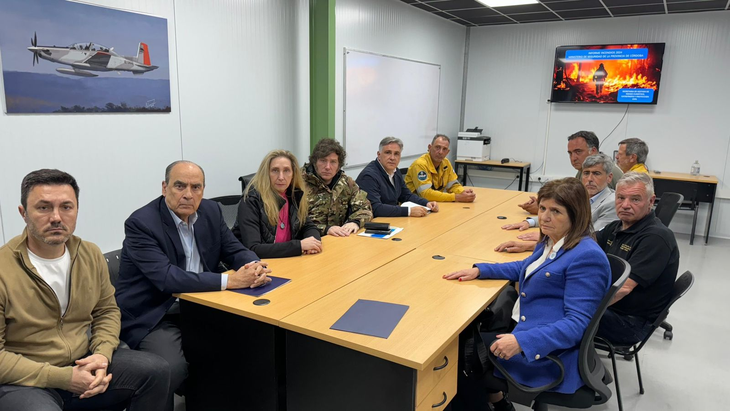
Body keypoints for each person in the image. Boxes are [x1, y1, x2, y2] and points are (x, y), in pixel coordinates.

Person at [0, 169, 169, 411]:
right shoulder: (3, 268)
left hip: (83, 360)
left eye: (66, 207)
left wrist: (101, 355)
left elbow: (107, 312)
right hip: (26, 380)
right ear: (23, 213)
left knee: (157, 371)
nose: (57, 217)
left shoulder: (89, 254)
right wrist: (65, 378)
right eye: (44, 207)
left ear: (77, 210)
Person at [444, 178, 611, 411]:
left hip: (547, 353)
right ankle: (499, 403)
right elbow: (527, 267)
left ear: (576, 215)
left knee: (458, 357)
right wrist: (481, 270)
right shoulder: (554, 239)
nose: (544, 217)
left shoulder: (586, 257)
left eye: (556, 211)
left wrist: (523, 341)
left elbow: (577, 324)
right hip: (532, 325)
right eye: (542, 208)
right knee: (469, 337)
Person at [115, 160, 270, 411]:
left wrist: (254, 265)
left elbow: (232, 248)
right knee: (170, 369)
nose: (188, 194)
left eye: (196, 187)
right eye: (180, 186)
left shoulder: (211, 211)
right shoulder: (141, 223)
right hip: (156, 313)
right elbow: (167, 278)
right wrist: (230, 281)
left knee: (252, 341)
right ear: (164, 188)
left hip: (202, 305)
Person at [596, 172, 679, 345]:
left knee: (554, 308)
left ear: (651, 201)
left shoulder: (655, 238)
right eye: (620, 198)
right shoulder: (618, 226)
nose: (625, 205)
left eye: (635, 199)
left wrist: (581, 307)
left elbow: (623, 289)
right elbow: (584, 243)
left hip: (629, 323)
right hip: (616, 310)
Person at [497, 153, 618, 253]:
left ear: (609, 177)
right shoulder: (580, 196)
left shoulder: (611, 203)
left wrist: (534, 243)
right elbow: (557, 214)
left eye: (596, 173)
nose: (590, 179)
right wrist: (530, 222)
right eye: (586, 173)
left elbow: (588, 238)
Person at [234, 150, 322, 257]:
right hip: (257, 265)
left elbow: (308, 226)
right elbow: (253, 248)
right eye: (275, 170)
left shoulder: (294, 195)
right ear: (266, 173)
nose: (281, 177)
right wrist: (299, 246)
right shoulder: (251, 200)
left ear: (293, 174)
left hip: (287, 260)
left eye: (286, 171)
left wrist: (313, 243)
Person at [519, 131, 622, 214]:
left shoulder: (610, 171)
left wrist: (544, 210)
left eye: (578, 152)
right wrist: (545, 205)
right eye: (570, 153)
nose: (573, 158)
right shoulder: (583, 170)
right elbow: (574, 199)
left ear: (593, 151)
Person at [302, 138, 373, 237]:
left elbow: (365, 208)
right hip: (308, 242)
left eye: (333, 162)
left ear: (339, 165)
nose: (327, 167)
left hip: (338, 240)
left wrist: (355, 222)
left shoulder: (347, 183)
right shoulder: (298, 183)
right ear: (314, 162)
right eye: (323, 161)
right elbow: (295, 223)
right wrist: (326, 229)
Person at [356, 136, 439, 217]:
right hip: (373, 223)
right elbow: (375, 208)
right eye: (388, 152)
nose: (392, 158)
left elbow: (406, 195)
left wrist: (426, 203)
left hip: (391, 219)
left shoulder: (395, 171)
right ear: (379, 154)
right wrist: (409, 211)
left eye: (396, 154)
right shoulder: (369, 176)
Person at [405, 134, 476, 202]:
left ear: (447, 152)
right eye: (437, 147)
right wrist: (455, 197)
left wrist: (462, 192)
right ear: (429, 147)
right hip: (413, 205)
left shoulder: (446, 162)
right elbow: (425, 194)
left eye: (444, 149)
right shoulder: (420, 164)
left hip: (433, 203)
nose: (440, 152)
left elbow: (453, 185)